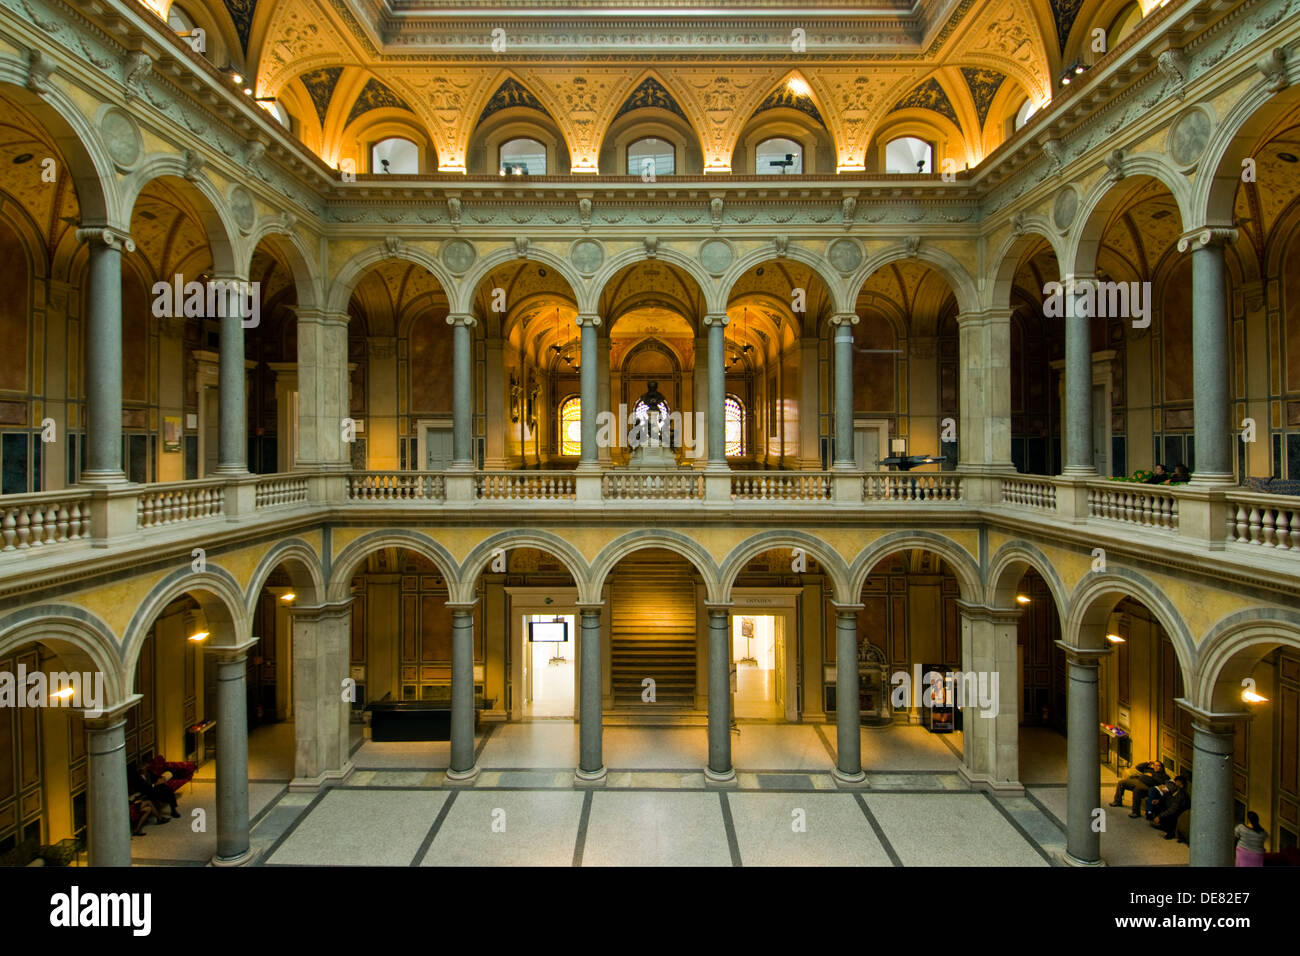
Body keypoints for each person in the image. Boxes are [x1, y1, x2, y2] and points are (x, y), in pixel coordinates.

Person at [1150, 774, 1190, 839]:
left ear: (1182, 785)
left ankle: (1170, 832)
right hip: (1170, 809)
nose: (1175, 784)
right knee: (1158, 804)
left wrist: (1160, 817)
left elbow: (1173, 810)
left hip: (1177, 814)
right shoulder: (1175, 791)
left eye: (1177, 783)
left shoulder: (1182, 795)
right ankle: (1160, 822)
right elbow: (1166, 797)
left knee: (1171, 816)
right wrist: (1158, 801)